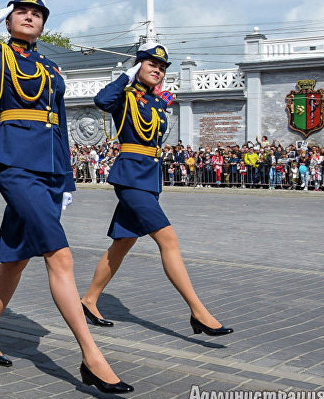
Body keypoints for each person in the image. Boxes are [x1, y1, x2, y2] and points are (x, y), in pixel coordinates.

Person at [0, 0, 132, 393]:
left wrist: (66, 178)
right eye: (22, 12)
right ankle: (91, 356)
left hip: (49, 168)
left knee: (13, 258)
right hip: (15, 164)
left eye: (37, 14)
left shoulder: (50, 67)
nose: (29, 17)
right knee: (59, 254)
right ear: (10, 19)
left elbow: (60, 122)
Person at [81, 42, 232, 341]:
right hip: (130, 178)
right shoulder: (125, 96)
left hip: (148, 179)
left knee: (122, 245)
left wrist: (158, 99)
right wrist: (127, 76)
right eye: (151, 64)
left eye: (162, 67)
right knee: (169, 240)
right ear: (139, 66)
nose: (158, 69)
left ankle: (88, 300)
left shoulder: (156, 102)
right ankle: (198, 311)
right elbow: (101, 100)